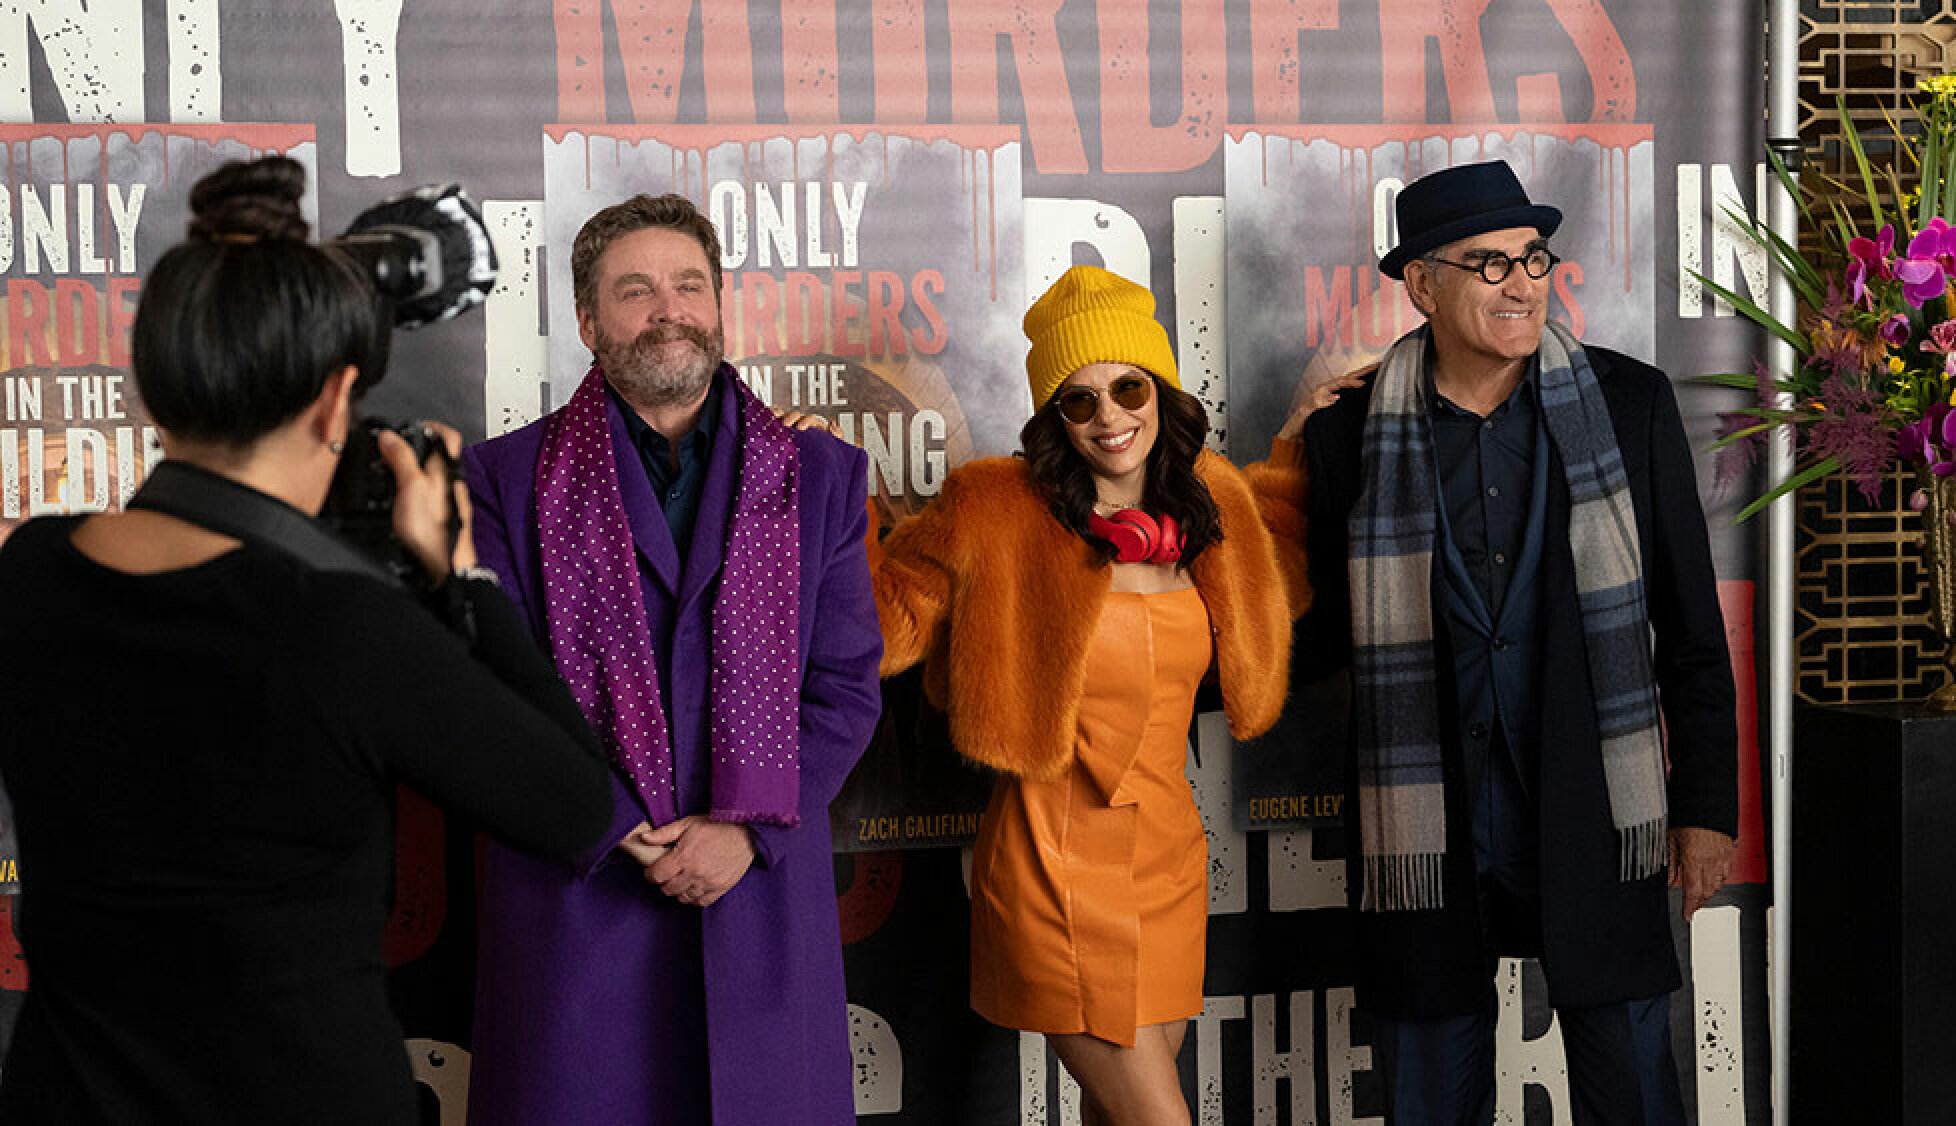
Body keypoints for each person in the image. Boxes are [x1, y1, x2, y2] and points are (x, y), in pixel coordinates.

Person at [0, 156, 613, 1124]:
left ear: (157, 391)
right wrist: (462, 578)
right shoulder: (341, 629)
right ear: (336, 402)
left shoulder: (29, 575)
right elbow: (577, 806)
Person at [1299, 160, 1738, 1125]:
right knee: (1427, 1100)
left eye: (1534, 260)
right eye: (1489, 264)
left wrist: (1705, 808)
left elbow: (1692, 630)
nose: (1522, 284)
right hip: (1428, 825)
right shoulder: (1348, 436)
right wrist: (1263, 492)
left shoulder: (1631, 406)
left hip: (1597, 803)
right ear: (1422, 284)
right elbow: (1313, 644)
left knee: (1632, 1087)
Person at [859, 265, 1341, 1126]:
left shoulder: (1211, 505)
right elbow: (884, 625)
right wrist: (835, 510)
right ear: (1053, 418)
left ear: (1160, 389)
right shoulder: (995, 510)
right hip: (1051, 858)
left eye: (1127, 387)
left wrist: (1297, 448)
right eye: (1079, 402)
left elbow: (1279, 585)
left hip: (1166, 853)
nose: (1111, 417)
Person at [461, 193, 883, 1125]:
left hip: (756, 902)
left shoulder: (821, 480)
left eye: (690, 285)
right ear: (586, 321)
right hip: (583, 900)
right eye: (636, 290)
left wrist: (746, 833)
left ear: (721, 305)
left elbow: (846, 687)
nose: (670, 309)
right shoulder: (499, 479)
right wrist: (612, 822)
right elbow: (493, 687)